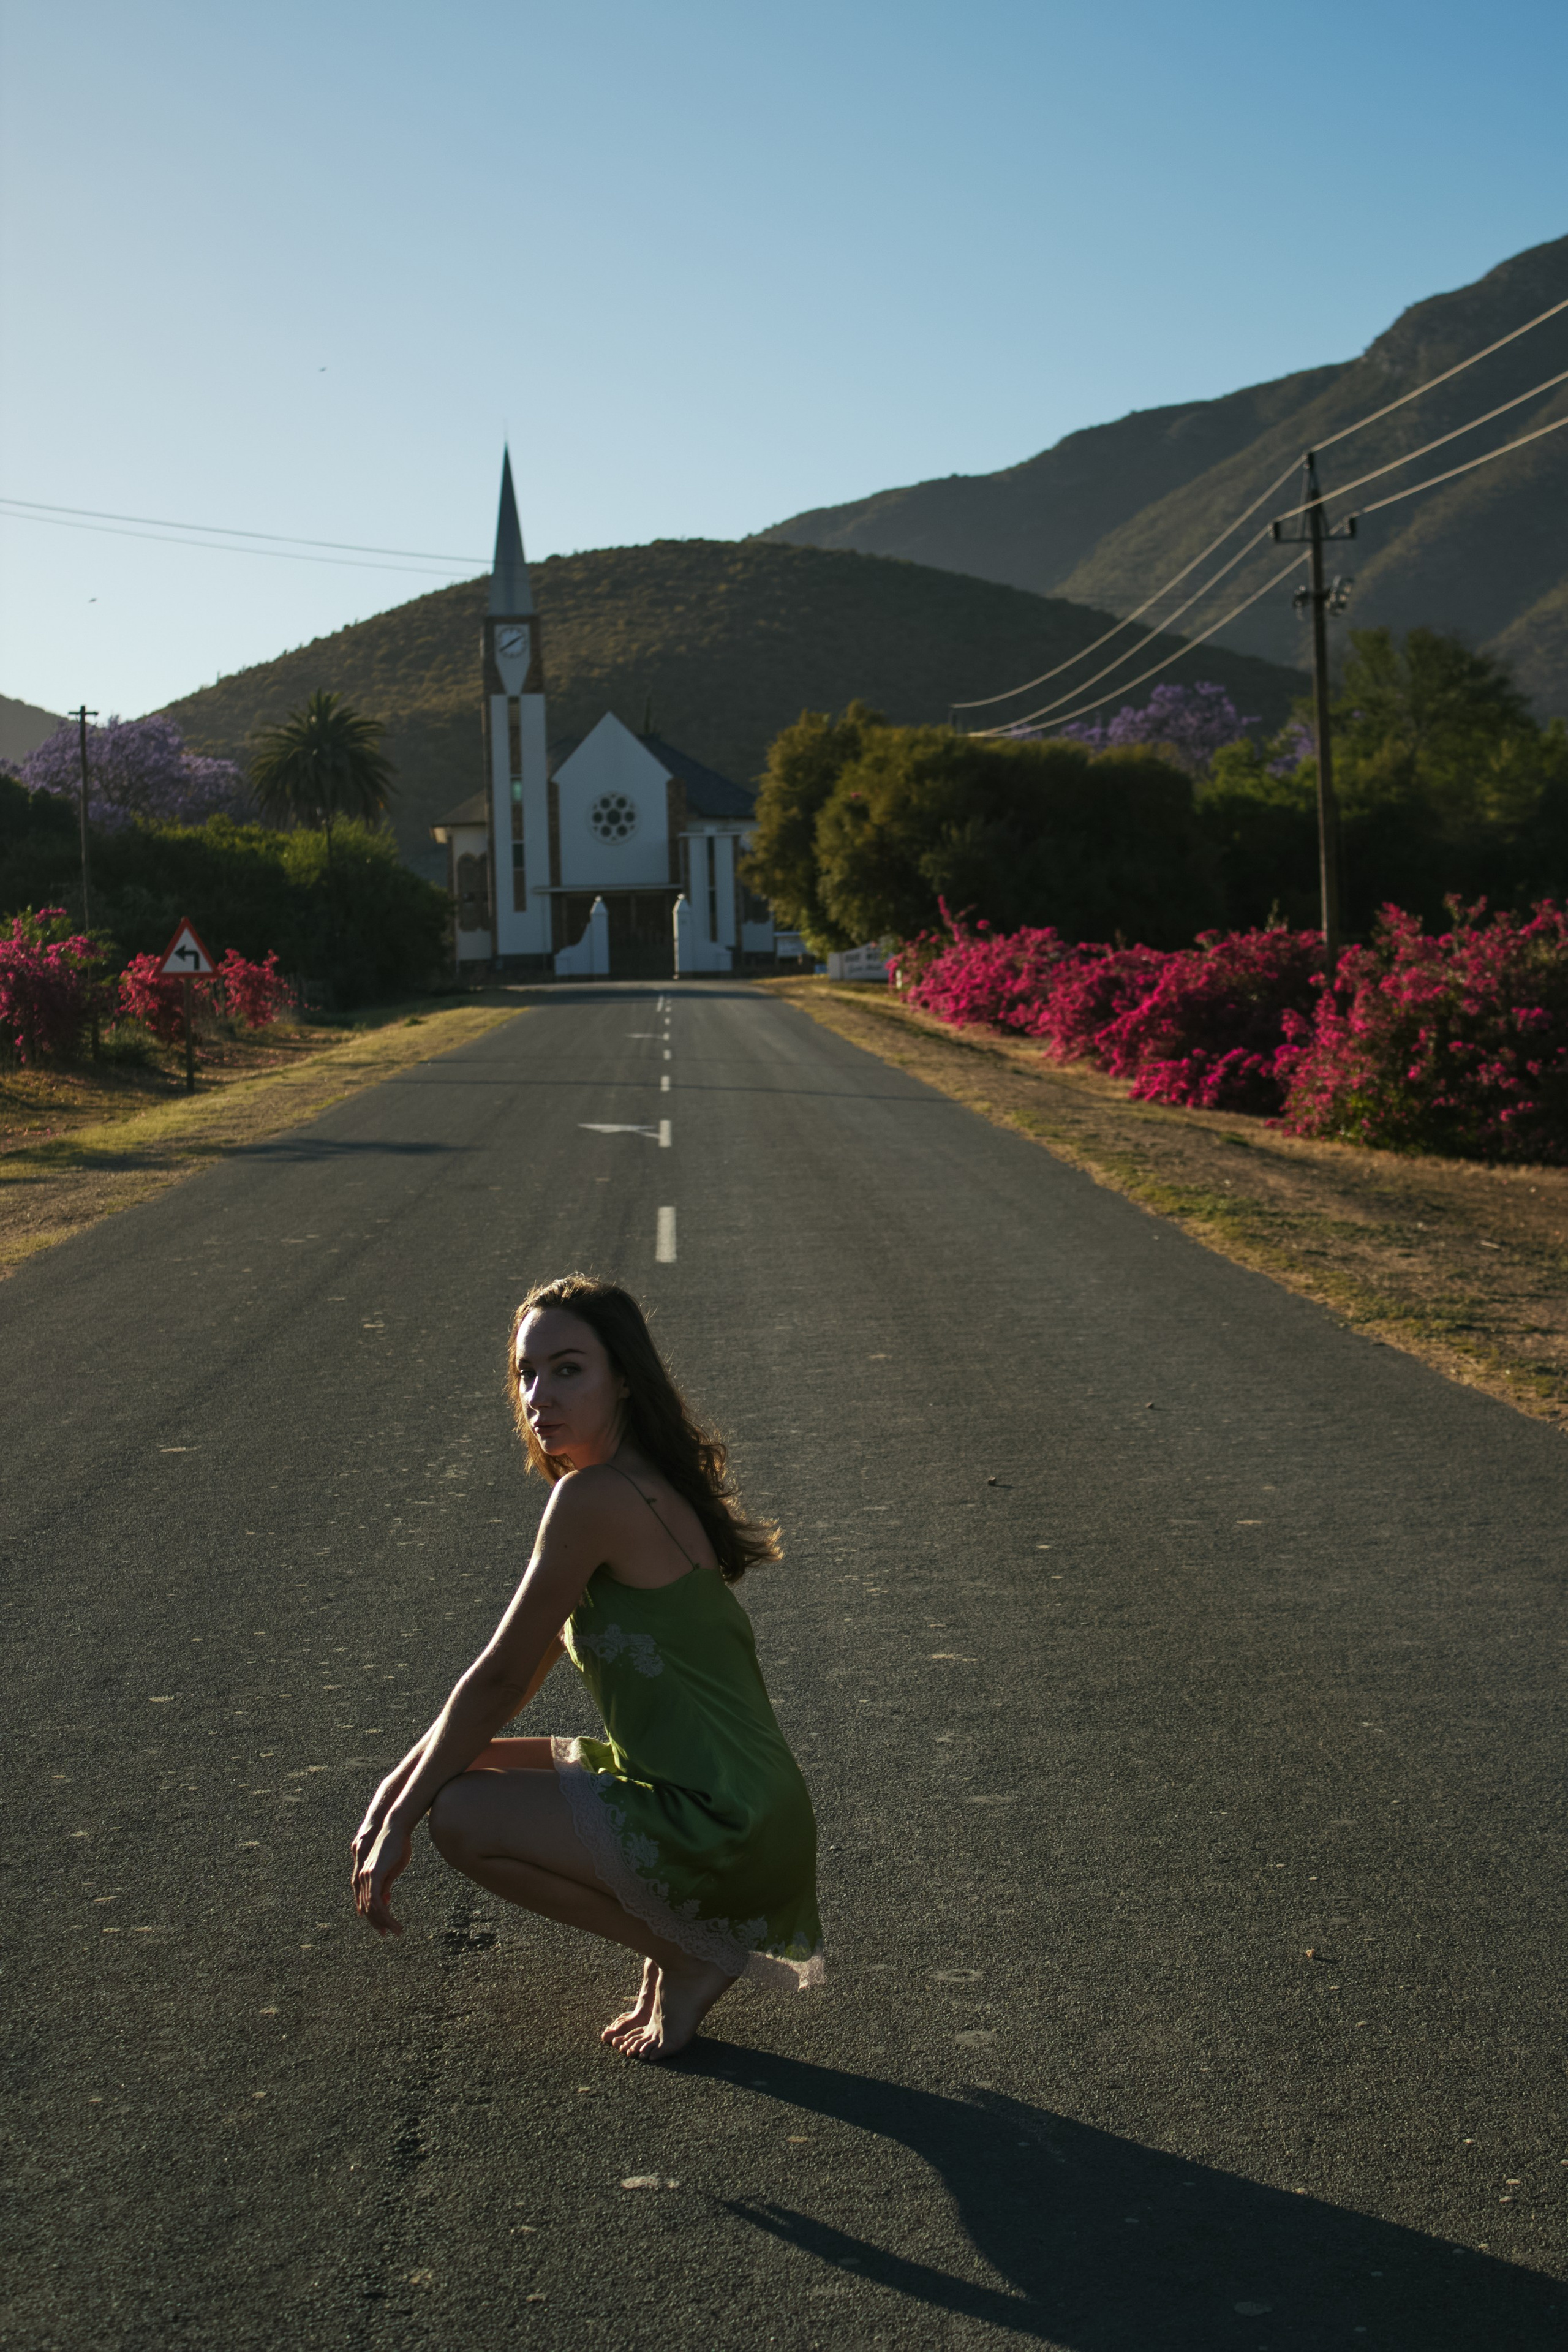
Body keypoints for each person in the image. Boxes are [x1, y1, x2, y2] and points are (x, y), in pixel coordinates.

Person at [351, 1273, 823, 2059]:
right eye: (526, 1373)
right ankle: (676, 1950)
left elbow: (501, 1678)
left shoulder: (595, 1500)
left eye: (568, 1369)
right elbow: (517, 1680)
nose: (540, 1394)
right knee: (464, 1774)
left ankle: (691, 1951)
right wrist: (391, 1793)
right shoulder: (637, 1486)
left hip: (725, 1820)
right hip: (743, 1801)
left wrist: (399, 1818)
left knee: (461, 1817)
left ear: (624, 1379)